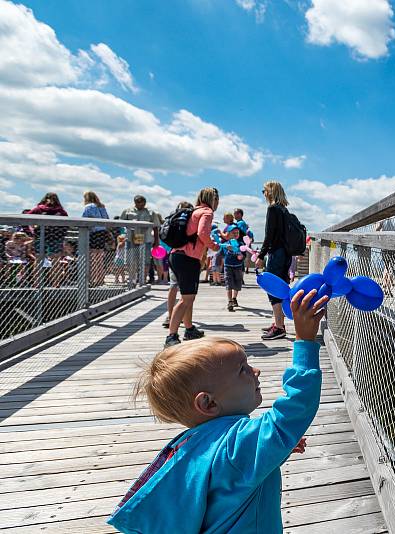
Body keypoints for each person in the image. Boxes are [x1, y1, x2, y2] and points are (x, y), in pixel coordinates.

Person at [107, 289, 326, 534]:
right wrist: (305, 342)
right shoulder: (236, 445)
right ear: (208, 404)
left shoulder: (192, 444)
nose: (256, 371)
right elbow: (294, 411)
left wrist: (276, 447)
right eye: (242, 369)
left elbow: (232, 480)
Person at [165, 188, 220, 348]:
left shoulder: (192, 211)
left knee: (187, 296)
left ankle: (189, 329)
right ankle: (171, 336)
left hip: (176, 255)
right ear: (213, 199)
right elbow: (202, 233)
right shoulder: (207, 212)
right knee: (186, 299)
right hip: (188, 259)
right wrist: (214, 246)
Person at [256, 181, 293, 341]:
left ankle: (279, 328)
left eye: (264, 190)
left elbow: (269, 236)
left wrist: (260, 255)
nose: (263, 193)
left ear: (270, 192)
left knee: (273, 290)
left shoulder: (272, 209)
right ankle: (279, 323)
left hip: (276, 254)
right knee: (281, 288)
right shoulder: (284, 210)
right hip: (286, 254)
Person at [161, 201, 194, 329]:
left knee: (173, 285)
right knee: (188, 292)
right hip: (188, 256)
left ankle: (170, 316)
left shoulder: (173, 218)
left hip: (173, 255)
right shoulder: (191, 218)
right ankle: (186, 322)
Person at [119, 195, 163, 286]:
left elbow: (155, 227)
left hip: (146, 239)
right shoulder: (127, 211)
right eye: (138, 203)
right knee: (131, 260)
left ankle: (142, 280)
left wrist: (157, 241)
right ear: (135, 202)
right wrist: (122, 238)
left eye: (142, 203)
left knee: (145, 260)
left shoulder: (151, 212)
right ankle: (132, 280)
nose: (140, 205)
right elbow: (121, 224)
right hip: (131, 238)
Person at [81, 191, 111, 287]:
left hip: (93, 232)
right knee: (99, 257)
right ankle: (101, 279)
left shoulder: (88, 207)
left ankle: (94, 279)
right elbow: (107, 218)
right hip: (102, 232)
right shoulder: (102, 206)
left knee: (93, 257)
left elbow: (83, 219)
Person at [27, 192, 68, 258]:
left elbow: (26, 217)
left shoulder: (38, 209)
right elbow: (66, 224)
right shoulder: (61, 211)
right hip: (56, 236)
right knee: (55, 257)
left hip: (40, 235)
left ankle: (39, 268)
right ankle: (54, 268)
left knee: (39, 257)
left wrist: (32, 229)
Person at [375, 215, 395, 297]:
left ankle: (384, 287)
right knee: (391, 269)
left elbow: (376, 230)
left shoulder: (384, 219)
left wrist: (380, 238)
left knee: (386, 266)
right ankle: (388, 289)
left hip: (385, 246)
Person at [223, 225, 245, 312]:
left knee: (237, 283)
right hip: (228, 266)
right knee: (229, 284)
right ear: (229, 234)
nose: (236, 234)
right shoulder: (226, 244)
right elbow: (223, 253)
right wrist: (228, 249)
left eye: (237, 233)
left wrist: (241, 256)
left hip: (238, 267)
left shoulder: (241, 244)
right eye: (233, 233)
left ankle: (234, 298)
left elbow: (244, 255)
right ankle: (230, 301)